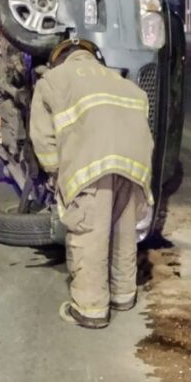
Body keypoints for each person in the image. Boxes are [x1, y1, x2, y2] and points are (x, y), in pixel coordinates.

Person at [29, 39, 154, 329]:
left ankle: (90, 309)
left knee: (90, 235)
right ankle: (124, 295)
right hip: (135, 166)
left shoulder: (53, 80)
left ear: (60, 59)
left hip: (90, 167)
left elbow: (43, 139)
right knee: (123, 232)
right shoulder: (122, 81)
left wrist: (57, 172)